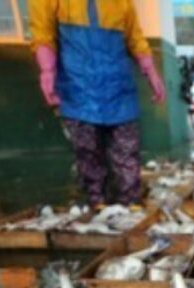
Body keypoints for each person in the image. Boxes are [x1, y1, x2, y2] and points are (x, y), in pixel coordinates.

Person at [30, 0, 166, 208]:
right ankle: (97, 203)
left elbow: (135, 37)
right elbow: (42, 33)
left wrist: (151, 71)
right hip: (78, 88)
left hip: (119, 88)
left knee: (127, 152)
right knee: (87, 151)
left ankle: (130, 203)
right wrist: (47, 70)